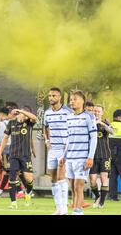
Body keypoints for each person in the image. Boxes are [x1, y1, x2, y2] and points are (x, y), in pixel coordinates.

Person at [59, 90, 97, 215]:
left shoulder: (89, 116)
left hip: (82, 158)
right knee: (73, 188)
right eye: (71, 99)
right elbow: (68, 139)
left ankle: (78, 212)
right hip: (70, 157)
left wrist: (90, 157)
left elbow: (94, 138)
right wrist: (64, 156)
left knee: (78, 186)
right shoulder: (69, 117)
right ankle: (75, 210)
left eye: (75, 99)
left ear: (82, 101)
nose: (72, 101)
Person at [0, 108, 37, 209]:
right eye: (22, 114)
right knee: (12, 177)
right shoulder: (11, 123)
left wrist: (21, 111)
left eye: (25, 114)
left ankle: (28, 193)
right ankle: (13, 203)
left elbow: (34, 118)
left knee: (29, 179)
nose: (23, 116)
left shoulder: (28, 123)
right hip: (13, 155)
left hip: (25, 156)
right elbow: (5, 138)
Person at [43, 87, 72, 215]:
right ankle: (58, 208)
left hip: (64, 149)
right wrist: (46, 140)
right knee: (53, 179)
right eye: (49, 96)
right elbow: (45, 127)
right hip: (53, 149)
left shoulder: (68, 111)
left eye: (54, 95)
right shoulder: (47, 112)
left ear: (60, 97)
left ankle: (64, 208)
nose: (51, 98)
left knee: (61, 178)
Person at [89, 104, 113, 209]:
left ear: (102, 113)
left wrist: (102, 124)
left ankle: (102, 202)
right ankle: (97, 196)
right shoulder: (89, 123)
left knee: (104, 178)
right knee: (92, 180)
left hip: (105, 155)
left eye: (98, 111)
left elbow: (112, 132)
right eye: (95, 111)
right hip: (92, 156)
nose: (96, 113)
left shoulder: (105, 123)